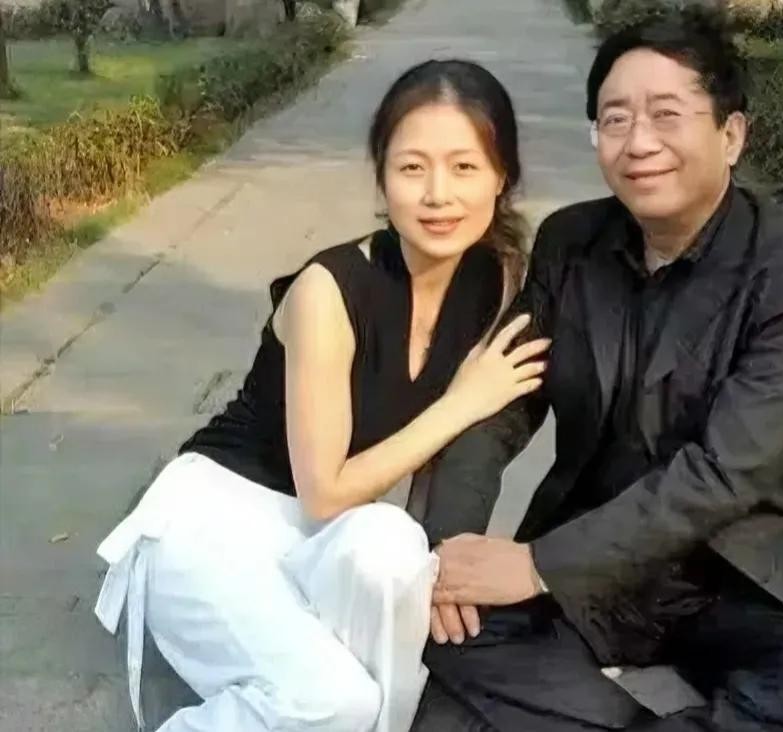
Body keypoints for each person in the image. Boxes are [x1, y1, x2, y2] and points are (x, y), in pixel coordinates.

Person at [409, 9, 783, 732]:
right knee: (439, 637)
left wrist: (536, 566)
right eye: (615, 119)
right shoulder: (571, 242)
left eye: (666, 115)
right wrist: (444, 558)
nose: (639, 143)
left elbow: (723, 474)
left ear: (731, 134)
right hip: (590, 561)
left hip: (741, 569)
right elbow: (501, 407)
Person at [93, 59, 549, 732]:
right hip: (216, 521)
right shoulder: (328, 290)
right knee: (336, 701)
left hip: (326, 538)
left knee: (395, 544)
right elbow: (327, 491)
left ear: (501, 176)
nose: (438, 195)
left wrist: (433, 576)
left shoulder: (495, 275)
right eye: (412, 168)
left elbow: (428, 469)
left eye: (464, 167)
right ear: (382, 177)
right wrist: (462, 401)